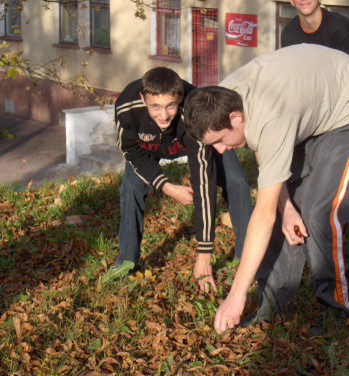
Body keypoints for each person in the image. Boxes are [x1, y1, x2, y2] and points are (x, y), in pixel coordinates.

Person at [183, 44, 349, 334]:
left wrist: (235, 296)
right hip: (304, 101)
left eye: (222, 140)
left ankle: (340, 313)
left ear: (236, 117)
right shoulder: (219, 100)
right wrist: (286, 208)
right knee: (282, 210)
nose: (222, 150)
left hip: (348, 105)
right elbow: (266, 157)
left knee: (319, 214)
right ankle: (273, 304)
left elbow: (261, 215)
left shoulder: (271, 118)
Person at [103, 67, 252, 292]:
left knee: (237, 181)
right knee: (130, 188)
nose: (163, 116)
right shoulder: (126, 106)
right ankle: (127, 261)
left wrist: (204, 254)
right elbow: (131, 151)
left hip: (193, 139)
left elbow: (204, 183)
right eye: (155, 107)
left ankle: (246, 257)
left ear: (180, 97)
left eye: (170, 106)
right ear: (143, 99)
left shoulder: (194, 112)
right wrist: (167, 186)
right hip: (148, 147)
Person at [281, 0, 349, 242]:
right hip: (326, 98)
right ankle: (317, 215)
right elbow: (296, 77)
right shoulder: (289, 33)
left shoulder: (340, 27)